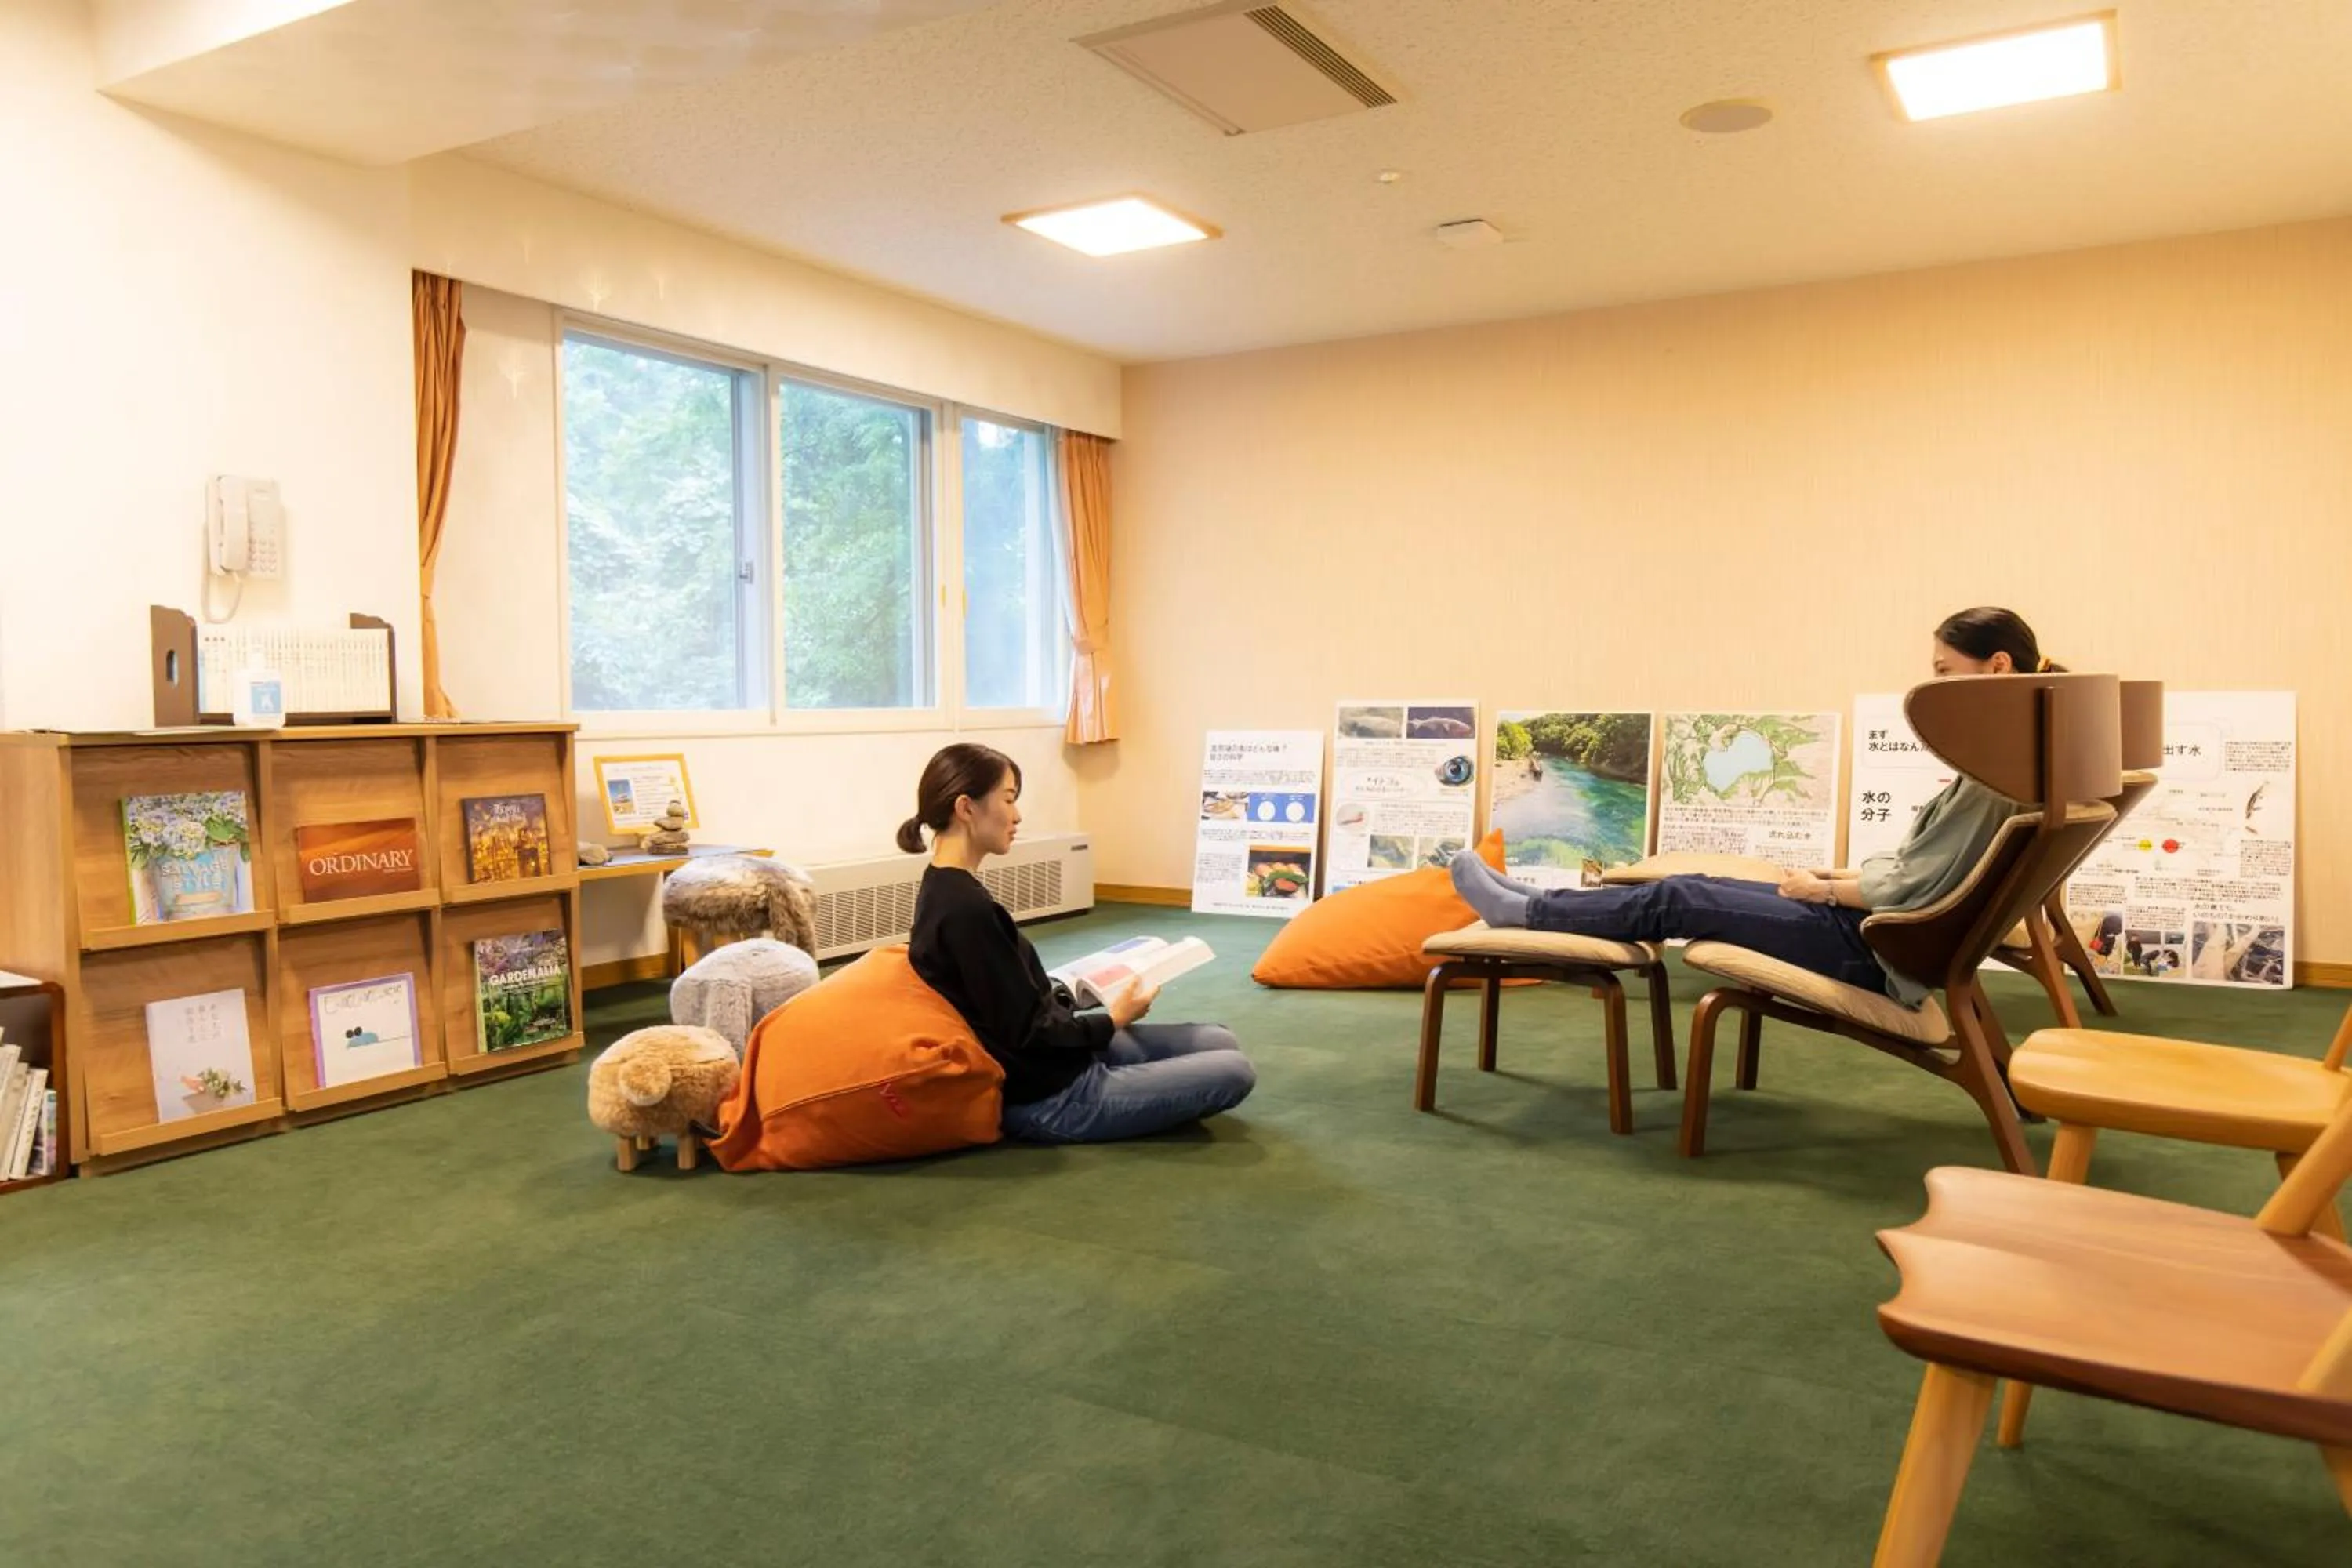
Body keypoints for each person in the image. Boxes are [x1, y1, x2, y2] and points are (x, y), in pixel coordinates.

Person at [1450, 608, 2063, 1007]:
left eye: (1943, 670)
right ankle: (1534, 902)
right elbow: (1931, 873)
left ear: (1998, 666)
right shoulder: (2019, 768)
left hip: (1873, 949)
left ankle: (1524, 913)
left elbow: (1910, 884)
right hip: (1890, 939)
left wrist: (1825, 891)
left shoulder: (1992, 781)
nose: (1932, 685)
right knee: (1695, 884)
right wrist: (1838, 878)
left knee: (1678, 897)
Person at [902, 743, 1257, 1142]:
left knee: (1218, 1039)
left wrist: (1072, 999)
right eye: (1009, 800)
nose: (1017, 816)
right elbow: (1028, 1037)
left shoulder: (946, 886)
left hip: (1059, 1057)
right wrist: (1114, 1019)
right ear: (966, 808)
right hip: (1052, 1096)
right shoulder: (965, 910)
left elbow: (1004, 1000)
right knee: (1234, 1071)